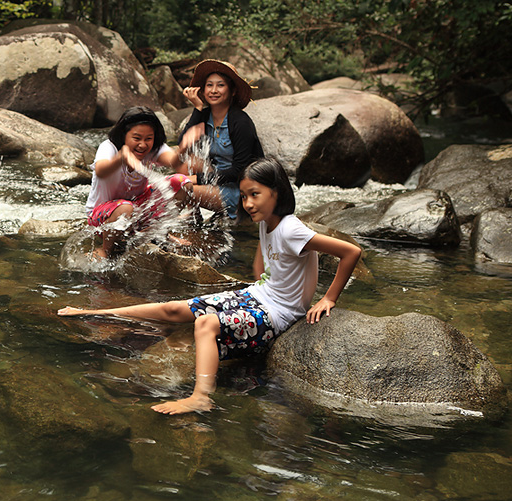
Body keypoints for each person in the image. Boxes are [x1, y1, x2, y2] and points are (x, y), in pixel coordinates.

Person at [60, 157, 362, 415]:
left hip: (279, 315)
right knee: (175, 308)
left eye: (255, 194)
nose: (248, 203)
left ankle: (201, 397)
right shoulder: (266, 221)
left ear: (277, 192)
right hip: (258, 295)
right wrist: (260, 276)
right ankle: (100, 313)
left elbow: (351, 252)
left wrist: (328, 298)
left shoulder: (292, 229)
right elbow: (264, 261)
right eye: (244, 196)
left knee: (206, 324)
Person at [84, 106, 192, 259]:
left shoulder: (153, 149)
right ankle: (107, 250)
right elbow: (101, 170)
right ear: (124, 135)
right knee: (125, 207)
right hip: (103, 218)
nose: (142, 145)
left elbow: (175, 163)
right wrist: (121, 157)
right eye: (136, 138)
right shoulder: (109, 147)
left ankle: (158, 233)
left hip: (137, 212)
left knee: (182, 183)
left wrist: (184, 147)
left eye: (148, 139)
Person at [177, 59, 264, 221]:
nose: (214, 90)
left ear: (232, 91)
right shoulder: (204, 116)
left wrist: (198, 179)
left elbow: (240, 170)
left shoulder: (241, 122)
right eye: (209, 85)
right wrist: (197, 108)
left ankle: (162, 226)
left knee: (183, 189)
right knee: (186, 162)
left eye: (220, 85)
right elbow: (183, 145)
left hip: (241, 190)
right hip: (216, 179)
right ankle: (193, 216)